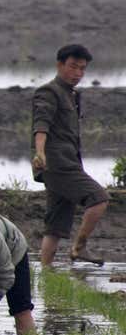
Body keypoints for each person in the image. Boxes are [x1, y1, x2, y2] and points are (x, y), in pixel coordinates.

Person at [33, 43, 109, 266]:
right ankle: (80, 247)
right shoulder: (48, 92)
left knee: (55, 226)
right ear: (60, 65)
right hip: (56, 164)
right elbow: (41, 125)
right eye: (73, 67)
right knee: (99, 198)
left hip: (70, 161)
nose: (77, 73)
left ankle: (45, 275)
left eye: (82, 69)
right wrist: (40, 153)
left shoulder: (73, 94)